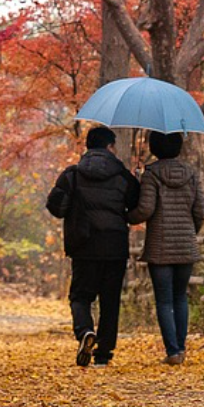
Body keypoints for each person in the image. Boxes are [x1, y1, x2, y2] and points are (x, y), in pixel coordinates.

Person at [45, 126, 141, 367]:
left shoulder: (72, 175)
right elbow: (136, 205)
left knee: (80, 296)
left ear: (88, 147)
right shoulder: (122, 177)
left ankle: (85, 331)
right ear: (110, 147)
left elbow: (56, 208)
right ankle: (103, 354)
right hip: (114, 246)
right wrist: (137, 180)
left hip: (84, 244)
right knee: (110, 301)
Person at [129, 130, 204, 365]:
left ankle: (172, 351)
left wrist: (127, 215)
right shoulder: (191, 173)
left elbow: (145, 210)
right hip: (185, 245)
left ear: (154, 147)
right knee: (180, 297)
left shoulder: (152, 174)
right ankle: (181, 349)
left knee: (164, 300)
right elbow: (200, 210)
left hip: (160, 246)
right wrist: (190, 232)